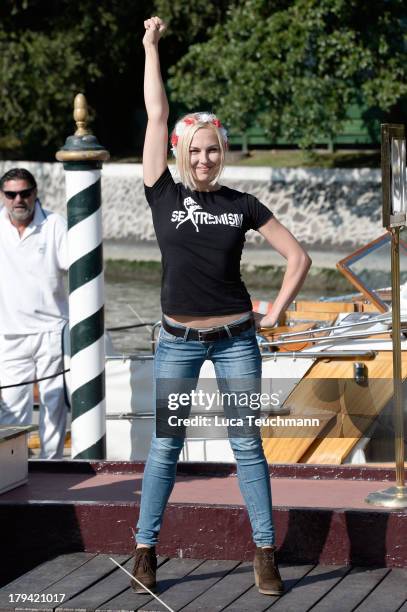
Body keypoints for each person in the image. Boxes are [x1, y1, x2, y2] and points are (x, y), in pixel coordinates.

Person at [132, 16, 312, 596]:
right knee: (165, 447)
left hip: (236, 339)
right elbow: (157, 114)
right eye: (197, 150)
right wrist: (149, 47)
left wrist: (275, 313)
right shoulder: (161, 190)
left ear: (223, 152)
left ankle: (265, 553)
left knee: (246, 446)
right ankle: (145, 549)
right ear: (181, 152)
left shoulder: (242, 203)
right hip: (176, 343)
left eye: (214, 150)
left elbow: (298, 258)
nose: (205, 159)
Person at [0, 168, 68, 459]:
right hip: (10, 333)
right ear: (2, 197)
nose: (19, 199)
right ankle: (10, 470)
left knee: (54, 405)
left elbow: (77, 269)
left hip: (52, 331)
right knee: (12, 408)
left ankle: (53, 468)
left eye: (24, 193)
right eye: (11, 194)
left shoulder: (54, 224)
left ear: (35, 193)